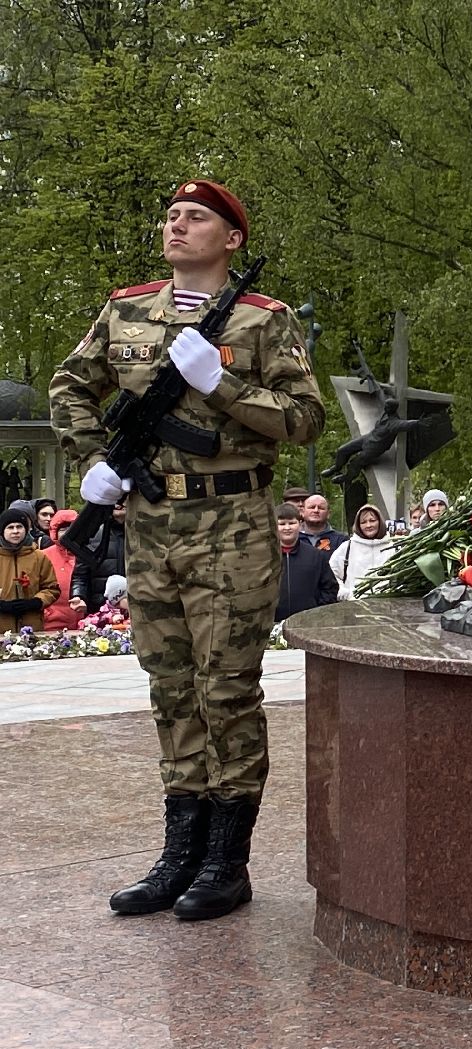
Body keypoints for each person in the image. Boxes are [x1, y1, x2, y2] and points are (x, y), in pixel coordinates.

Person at [48, 177, 325, 920]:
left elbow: (304, 420)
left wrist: (224, 386)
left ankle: (225, 863)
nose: (177, 225)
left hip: (231, 523)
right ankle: (179, 854)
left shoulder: (266, 321)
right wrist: (95, 461)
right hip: (150, 524)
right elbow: (70, 385)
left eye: (195, 217)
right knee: (170, 688)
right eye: (172, 215)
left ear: (230, 239)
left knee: (226, 689)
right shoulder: (127, 309)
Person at [0, 506, 60, 633]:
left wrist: (36, 602)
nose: (15, 531)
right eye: (10, 527)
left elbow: (52, 588)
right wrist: (3, 606)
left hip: (32, 626)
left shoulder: (39, 557)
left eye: (19, 527)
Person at [276, 503, 338, 619]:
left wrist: (317, 613)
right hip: (272, 623)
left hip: (308, 622)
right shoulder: (267, 558)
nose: (287, 528)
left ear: (300, 525)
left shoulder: (316, 556)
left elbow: (330, 588)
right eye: (282, 524)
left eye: (292, 523)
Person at [68, 500, 128, 614]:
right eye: (114, 499)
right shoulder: (91, 534)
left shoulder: (147, 535)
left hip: (139, 611)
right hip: (100, 612)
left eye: (123, 499)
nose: (118, 503)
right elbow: (80, 575)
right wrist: (79, 596)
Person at [328, 504, 396, 600]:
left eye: (372, 521)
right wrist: (343, 591)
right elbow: (331, 573)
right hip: (353, 606)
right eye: (363, 522)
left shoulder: (393, 547)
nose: (368, 525)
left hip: (386, 605)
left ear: (380, 522)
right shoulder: (347, 547)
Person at [42, 509, 83, 633]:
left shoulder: (89, 553)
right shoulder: (43, 556)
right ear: (55, 531)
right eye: (63, 529)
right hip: (52, 624)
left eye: (72, 528)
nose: (68, 533)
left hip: (86, 622)